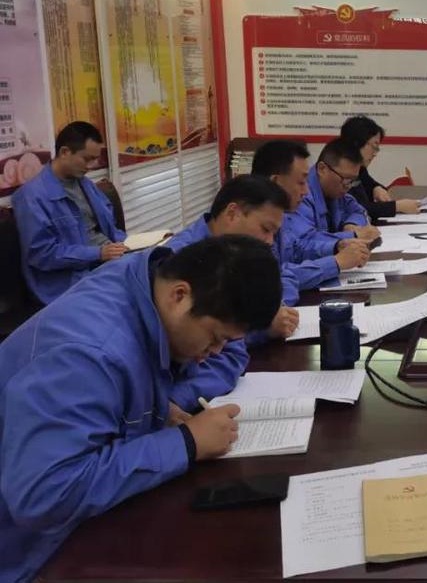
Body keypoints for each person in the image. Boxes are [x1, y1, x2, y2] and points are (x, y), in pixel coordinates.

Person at [0, 236, 283, 581]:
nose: (215, 352)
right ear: (180, 295)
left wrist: (157, 406)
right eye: (214, 338)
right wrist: (186, 443)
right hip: (27, 553)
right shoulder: (88, 355)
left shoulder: (146, 283)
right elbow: (43, 496)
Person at [166, 175, 299, 349]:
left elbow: (284, 276)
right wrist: (262, 327)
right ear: (232, 214)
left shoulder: (242, 250)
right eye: (266, 229)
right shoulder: (181, 259)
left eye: (274, 233)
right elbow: (194, 343)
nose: (270, 241)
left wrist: (273, 308)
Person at [12, 121, 127, 304]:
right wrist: (98, 253)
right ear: (65, 152)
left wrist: (131, 244)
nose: (92, 165)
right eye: (87, 159)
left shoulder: (85, 184)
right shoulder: (31, 197)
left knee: (159, 268)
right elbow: (42, 254)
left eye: (95, 159)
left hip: (106, 260)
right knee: (129, 299)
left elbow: (108, 227)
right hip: (70, 278)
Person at [251, 139, 370, 296]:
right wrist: (336, 262)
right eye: (301, 182)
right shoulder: (249, 221)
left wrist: (335, 246)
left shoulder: (277, 213)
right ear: (275, 182)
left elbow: (294, 249)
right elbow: (276, 281)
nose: (306, 191)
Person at [286, 139, 380, 261]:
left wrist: (351, 224)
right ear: (322, 169)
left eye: (352, 181)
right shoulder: (300, 195)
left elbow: (358, 210)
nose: (348, 186)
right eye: (345, 179)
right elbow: (302, 243)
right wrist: (353, 235)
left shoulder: (335, 190)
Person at [339, 116, 422, 218]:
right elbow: (358, 208)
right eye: (374, 147)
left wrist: (376, 188)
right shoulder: (339, 172)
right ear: (357, 143)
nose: (375, 154)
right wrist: (397, 207)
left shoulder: (359, 168)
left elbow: (372, 184)